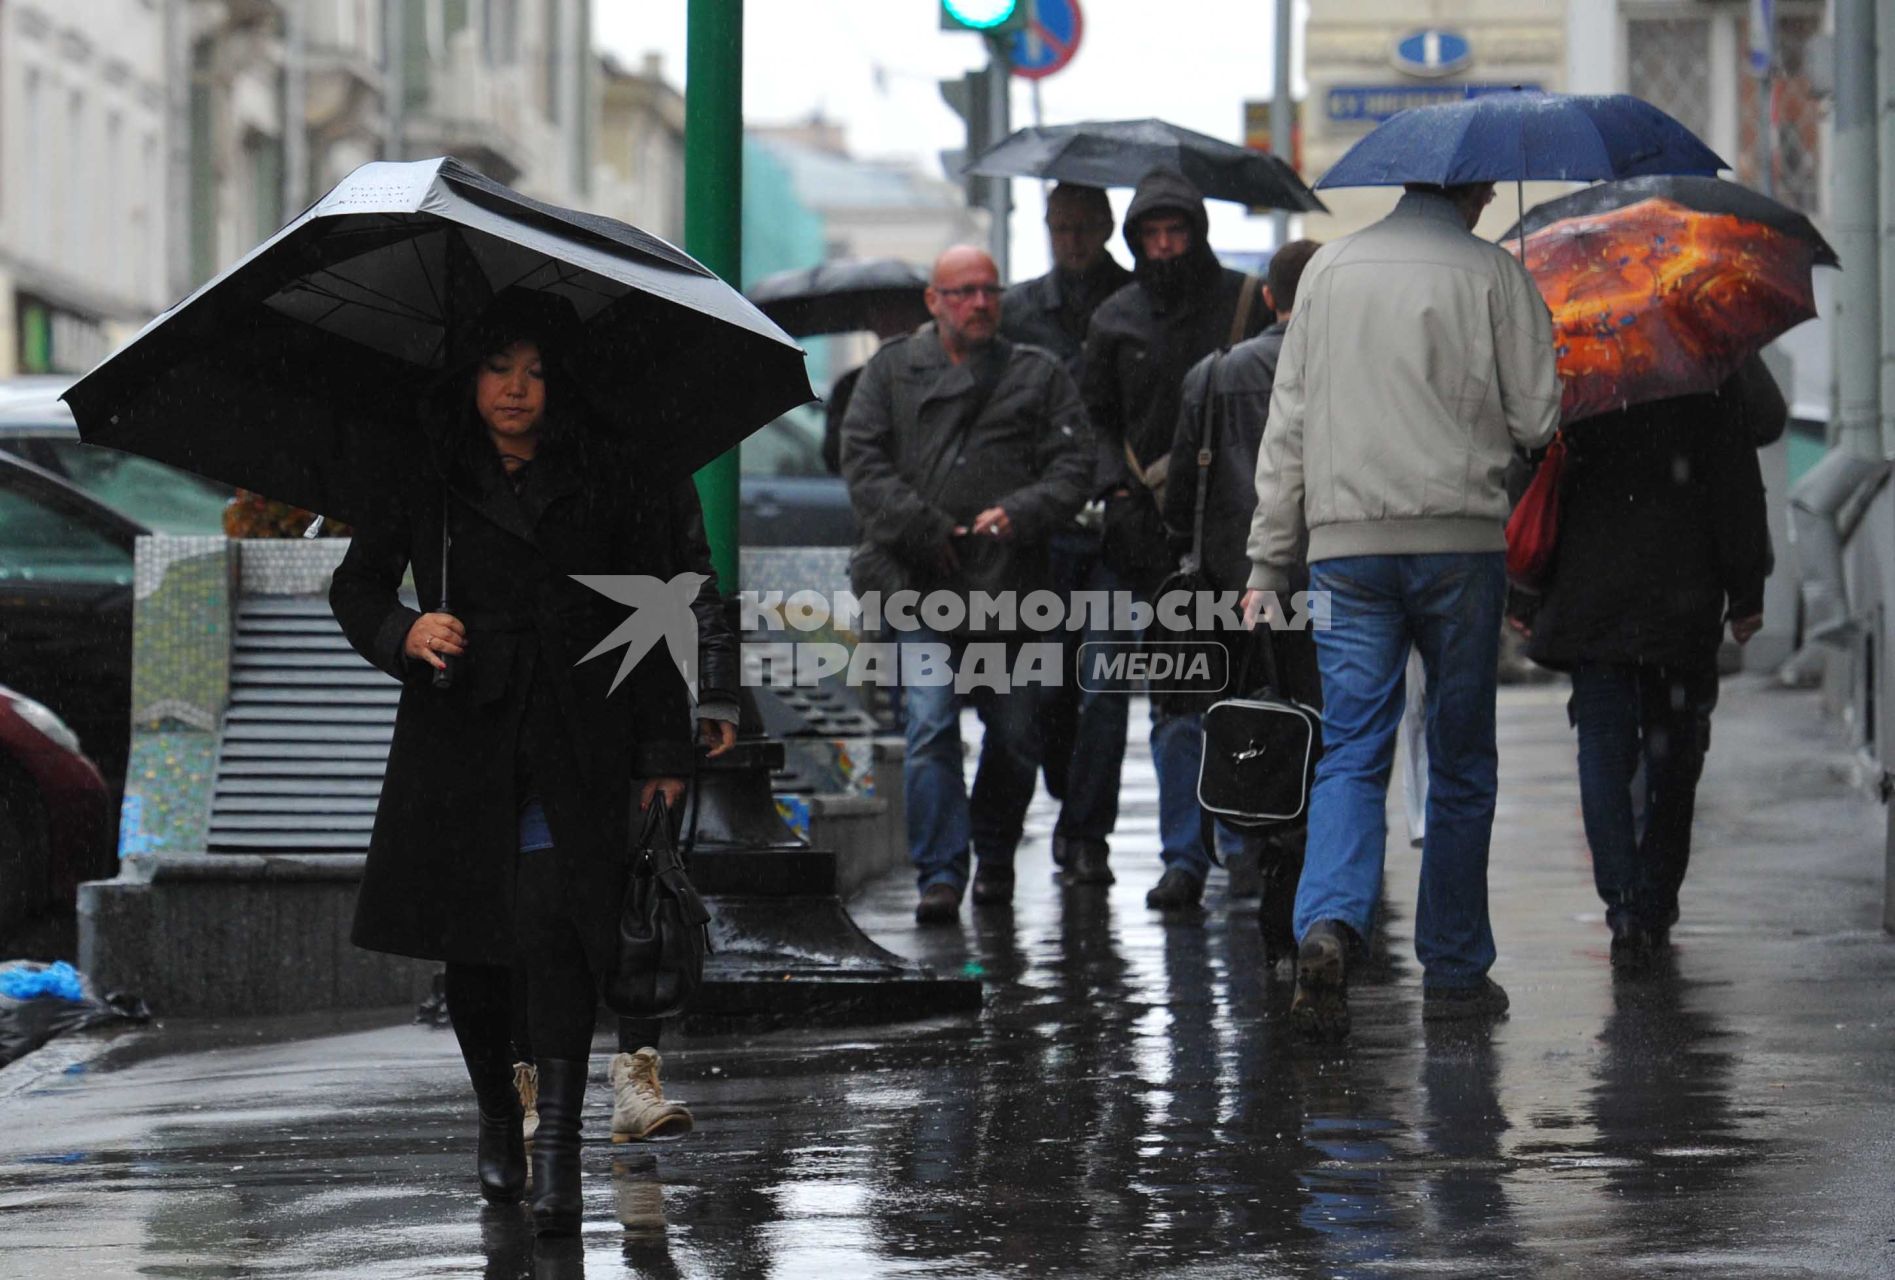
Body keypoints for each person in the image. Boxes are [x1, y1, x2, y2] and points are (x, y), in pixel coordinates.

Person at [330, 294, 696, 1236]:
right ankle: (499, 1111)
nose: (516, 389)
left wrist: (663, 750)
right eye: (499, 368)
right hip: (462, 733)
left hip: (580, 728)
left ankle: (560, 1154)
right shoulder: (431, 471)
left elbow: (656, 612)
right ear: (471, 378)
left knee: (557, 927)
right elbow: (357, 581)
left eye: (534, 371)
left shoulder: (605, 472)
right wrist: (405, 628)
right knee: (477, 949)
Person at [1242, 181, 1560, 1038]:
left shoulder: (1329, 270)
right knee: (1457, 757)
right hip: (1459, 548)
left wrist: (1267, 562)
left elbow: (1290, 424)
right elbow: (1538, 419)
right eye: (1487, 191)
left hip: (1347, 550)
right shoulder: (1495, 275)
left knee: (1350, 748)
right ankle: (1454, 972)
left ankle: (1327, 925)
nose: (1492, 199)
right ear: (1470, 191)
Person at [841, 245, 1091, 924]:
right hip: (922, 585)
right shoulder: (890, 373)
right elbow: (861, 464)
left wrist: (1022, 512)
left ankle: (993, 851)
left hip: (1013, 593)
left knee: (1014, 737)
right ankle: (941, 873)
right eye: (962, 292)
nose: (979, 303)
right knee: (929, 724)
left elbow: (1074, 468)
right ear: (933, 301)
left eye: (988, 290)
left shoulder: (1036, 376)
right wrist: (925, 529)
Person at [1515, 355, 1781, 975]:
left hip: (1593, 596)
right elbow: (1739, 476)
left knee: (1603, 749)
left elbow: (1530, 476)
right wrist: (1745, 595)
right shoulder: (1701, 358)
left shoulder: (1572, 362)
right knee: (1675, 754)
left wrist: (1525, 593)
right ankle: (1655, 901)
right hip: (1681, 596)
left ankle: (1625, 908)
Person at [511, 474, 736, 1146]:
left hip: (630, 704)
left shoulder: (641, 461)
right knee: (533, 907)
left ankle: (635, 1074)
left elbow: (685, 582)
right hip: (521, 717)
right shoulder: (490, 466)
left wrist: (714, 690)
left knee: (643, 889)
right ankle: (529, 1087)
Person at [1083, 168, 1270, 910]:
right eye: (1150, 236)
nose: (1163, 249)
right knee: (1176, 702)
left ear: (1197, 233)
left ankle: (1241, 841)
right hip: (1150, 541)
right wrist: (1118, 491)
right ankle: (1182, 856)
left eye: (1175, 234)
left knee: (1247, 692)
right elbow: (1095, 417)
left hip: (1237, 532)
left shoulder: (1242, 304)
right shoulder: (1114, 319)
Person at [1166, 239, 1323, 959]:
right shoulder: (1338, 368)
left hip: (1237, 591)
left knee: (1250, 730)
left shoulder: (1214, 374)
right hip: (1326, 580)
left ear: (1267, 296)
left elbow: (1179, 502)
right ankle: (1309, 882)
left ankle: (1259, 855)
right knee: (1326, 737)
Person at [1000, 182, 1133, 885]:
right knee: (1048, 686)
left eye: (1084, 227)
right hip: (1044, 530)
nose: (1073, 239)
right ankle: (1067, 800)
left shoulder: (1136, 303)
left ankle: (1086, 835)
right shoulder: (1020, 311)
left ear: (1107, 226)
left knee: (1105, 683)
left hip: (1114, 524)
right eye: (1061, 227)